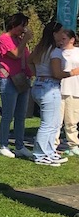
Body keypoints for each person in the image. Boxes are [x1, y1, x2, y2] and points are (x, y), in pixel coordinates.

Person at [29, 22, 79, 166]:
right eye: (61, 32)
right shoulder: (55, 51)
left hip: (39, 85)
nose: (63, 35)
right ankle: (40, 154)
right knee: (49, 124)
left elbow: (30, 61)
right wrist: (73, 72)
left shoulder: (41, 48)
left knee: (54, 122)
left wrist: (37, 73)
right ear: (54, 34)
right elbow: (57, 73)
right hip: (50, 88)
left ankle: (49, 152)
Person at [0, 13, 34, 159]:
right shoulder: (3, 39)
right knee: (8, 115)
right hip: (9, 79)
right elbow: (16, 54)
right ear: (13, 24)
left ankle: (19, 145)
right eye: (21, 25)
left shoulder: (19, 40)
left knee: (21, 115)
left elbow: (26, 57)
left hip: (23, 79)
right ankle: (3, 145)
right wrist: (24, 40)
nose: (23, 29)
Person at [60, 29, 79, 157]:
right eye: (60, 39)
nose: (61, 42)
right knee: (56, 121)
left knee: (71, 121)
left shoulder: (78, 52)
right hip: (59, 89)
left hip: (74, 89)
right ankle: (53, 144)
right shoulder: (56, 52)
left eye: (64, 39)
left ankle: (73, 145)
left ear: (72, 40)